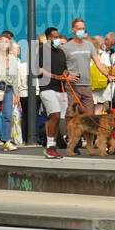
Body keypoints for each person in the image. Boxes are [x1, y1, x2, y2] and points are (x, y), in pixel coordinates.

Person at [39, 27, 74, 159]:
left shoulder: (61, 52)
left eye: (58, 36)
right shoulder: (42, 51)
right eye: (54, 37)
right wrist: (55, 76)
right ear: (48, 38)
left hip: (61, 89)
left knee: (59, 118)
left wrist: (65, 73)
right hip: (46, 87)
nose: (57, 39)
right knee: (55, 115)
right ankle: (50, 147)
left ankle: (53, 146)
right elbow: (39, 70)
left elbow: (65, 68)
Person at [63, 18, 96, 117]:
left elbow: (97, 62)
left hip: (87, 86)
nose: (81, 31)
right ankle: (70, 133)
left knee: (90, 117)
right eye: (79, 28)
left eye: (83, 28)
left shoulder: (89, 45)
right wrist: (67, 77)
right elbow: (61, 67)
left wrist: (108, 75)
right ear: (73, 29)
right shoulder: (66, 47)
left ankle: (87, 133)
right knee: (73, 116)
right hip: (73, 87)